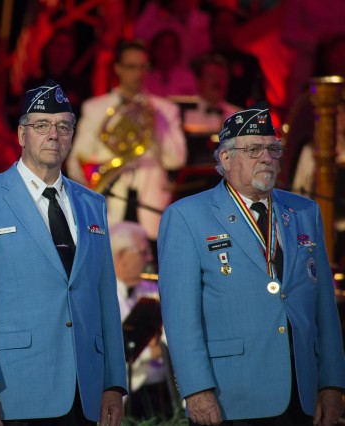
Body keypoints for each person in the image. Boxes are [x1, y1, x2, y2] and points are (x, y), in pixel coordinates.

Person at [0, 80, 128, 425]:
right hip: (16, 390)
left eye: (64, 126)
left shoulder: (93, 203)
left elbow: (105, 298)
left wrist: (113, 383)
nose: (54, 135)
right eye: (41, 126)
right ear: (21, 134)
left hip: (86, 391)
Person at [158, 105, 345, 425]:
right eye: (254, 149)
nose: (267, 157)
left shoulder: (304, 211)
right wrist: (196, 390)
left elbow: (324, 309)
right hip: (231, 396)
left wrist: (331, 384)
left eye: (273, 148)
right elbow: (180, 317)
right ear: (226, 159)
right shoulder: (187, 216)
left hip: (302, 395)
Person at [66, 40, 187, 243]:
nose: (138, 74)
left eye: (143, 67)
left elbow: (176, 160)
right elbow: (75, 163)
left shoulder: (165, 110)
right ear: (118, 69)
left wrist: (157, 122)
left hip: (151, 209)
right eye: (131, 67)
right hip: (109, 207)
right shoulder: (95, 108)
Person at [109, 221, 170, 420]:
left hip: (161, 391)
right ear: (121, 257)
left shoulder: (153, 291)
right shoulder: (101, 297)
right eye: (143, 252)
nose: (150, 258)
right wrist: (150, 351)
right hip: (126, 397)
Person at [184, 54, 241, 136]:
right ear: (199, 81)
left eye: (221, 76)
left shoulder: (238, 116)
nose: (217, 81)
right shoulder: (186, 113)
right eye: (211, 76)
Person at [144, 30, 197, 98]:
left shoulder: (187, 77)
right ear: (154, 50)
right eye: (162, 46)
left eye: (170, 47)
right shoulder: (146, 77)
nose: (166, 51)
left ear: (177, 50)